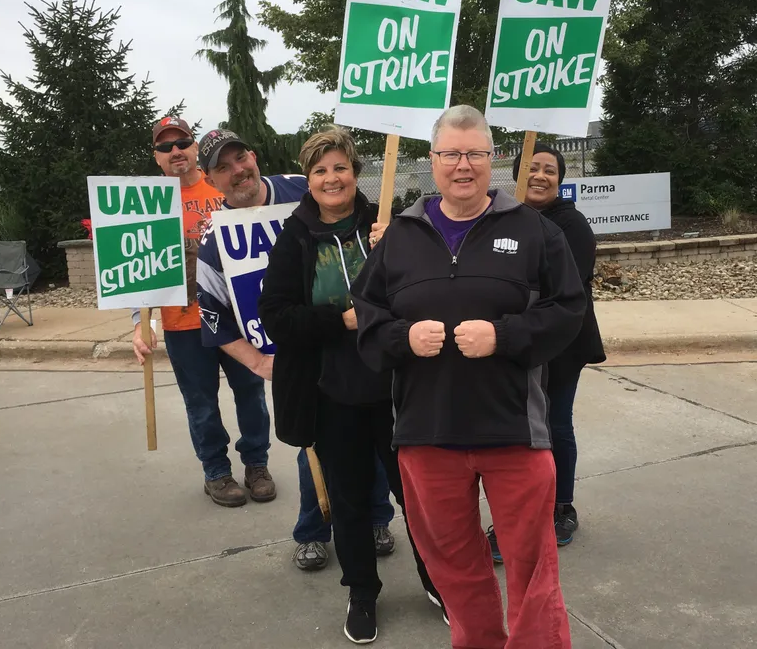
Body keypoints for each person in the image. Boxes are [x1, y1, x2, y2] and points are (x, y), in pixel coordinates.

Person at [352, 105, 586, 649]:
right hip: (426, 433)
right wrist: (401, 339)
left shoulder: (535, 231)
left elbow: (569, 311)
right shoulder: (400, 237)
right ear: (431, 162)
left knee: (532, 569)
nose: (464, 165)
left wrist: (504, 337)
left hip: (514, 433)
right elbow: (366, 315)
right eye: (451, 154)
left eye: (475, 153)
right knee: (454, 567)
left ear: (492, 159)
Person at [258, 126, 444, 644]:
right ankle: (362, 592)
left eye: (339, 167)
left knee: (418, 494)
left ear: (355, 172)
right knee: (349, 500)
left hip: (399, 389)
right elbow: (276, 315)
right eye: (319, 170)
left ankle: (440, 582)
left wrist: (402, 251)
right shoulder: (294, 238)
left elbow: (428, 296)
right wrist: (335, 321)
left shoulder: (392, 225)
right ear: (309, 181)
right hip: (332, 393)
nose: (331, 178)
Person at [193, 128, 397, 573]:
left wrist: (390, 235)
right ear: (210, 178)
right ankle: (313, 530)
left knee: (381, 439)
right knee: (316, 447)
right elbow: (212, 314)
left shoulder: (298, 185)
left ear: (252, 155)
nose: (236, 171)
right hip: (303, 349)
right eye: (222, 168)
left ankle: (378, 519)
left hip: (372, 350)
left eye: (239, 158)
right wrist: (257, 361)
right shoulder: (214, 239)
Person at [131, 117, 276, 509]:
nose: (175, 151)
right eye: (166, 147)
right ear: (157, 157)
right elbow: (134, 266)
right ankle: (216, 472)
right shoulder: (145, 202)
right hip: (183, 325)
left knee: (251, 395)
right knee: (202, 404)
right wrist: (138, 325)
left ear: (195, 149)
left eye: (182, 142)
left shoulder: (225, 188)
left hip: (236, 319)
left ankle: (257, 465)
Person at [484, 143, 606, 559]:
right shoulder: (501, 218)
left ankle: (560, 508)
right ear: (517, 173)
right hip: (514, 343)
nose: (539, 175)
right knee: (515, 437)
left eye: (549, 170)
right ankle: (514, 518)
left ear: (560, 179)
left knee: (553, 424)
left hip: (561, 345)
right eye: (531, 168)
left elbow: (557, 291)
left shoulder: (571, 225)